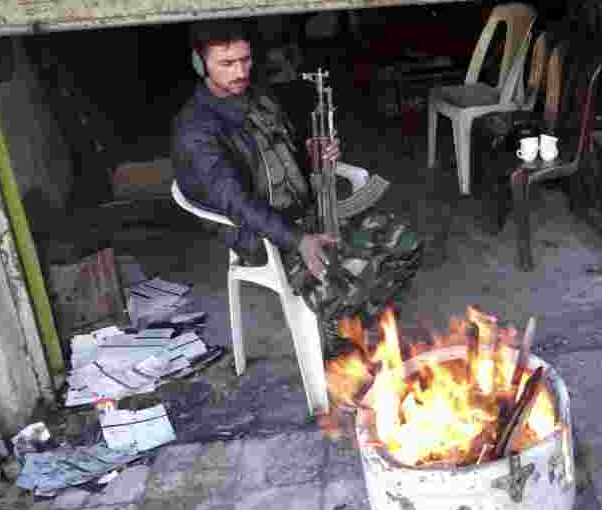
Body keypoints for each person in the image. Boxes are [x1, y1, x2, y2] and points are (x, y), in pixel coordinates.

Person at [172, 19, 421, 357]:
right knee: (339, 279)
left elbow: (284, 158)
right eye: (227, 64)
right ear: (200, 64)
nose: (240, 71)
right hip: (263, 233)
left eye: (245, 60)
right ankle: (338, 337)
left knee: (406, 243)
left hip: (305, 212)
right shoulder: (196, 129)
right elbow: (236, 201)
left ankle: (354, 321)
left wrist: (317, 155)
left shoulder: (259, 97)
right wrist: (298, 239)